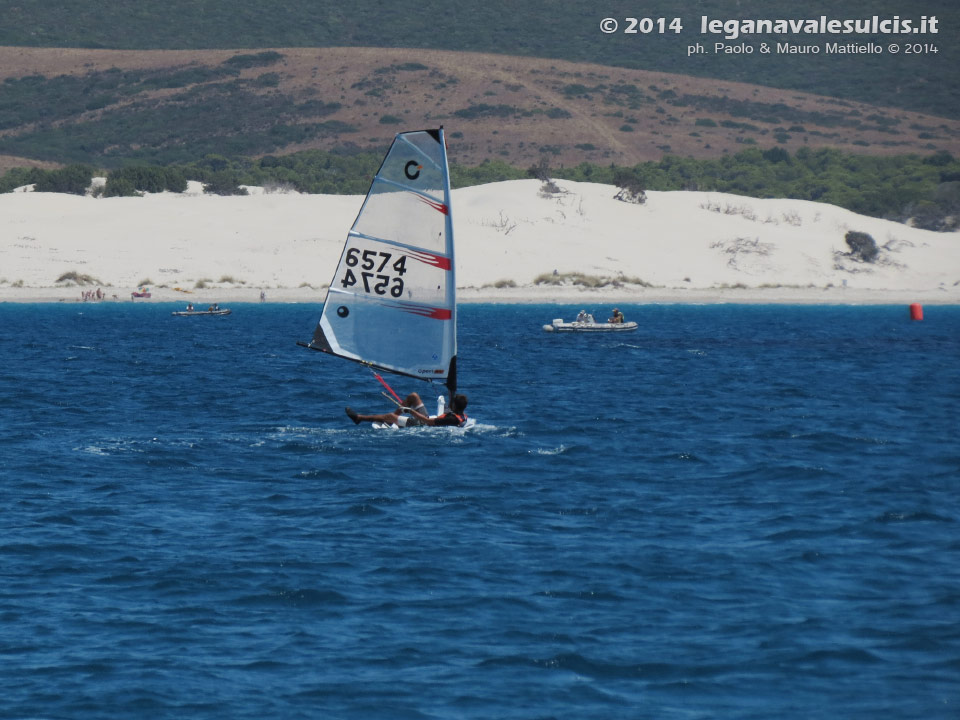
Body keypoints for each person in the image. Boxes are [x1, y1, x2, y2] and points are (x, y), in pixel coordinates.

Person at [346, 392, 468, 428]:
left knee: (390, 416)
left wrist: (410, 411)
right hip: (427, 420)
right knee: (413, 396)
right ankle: (391, 421)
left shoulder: (452, 419)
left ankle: (359, 418)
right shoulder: (459, 413)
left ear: (455, 406)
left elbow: (428, 422)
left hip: (423, 424)